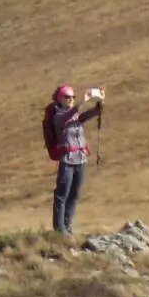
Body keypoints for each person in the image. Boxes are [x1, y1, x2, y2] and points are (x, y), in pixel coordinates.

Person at [45, 84, 105, 236]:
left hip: (80, 159)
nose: (70, 99)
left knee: (74, 194)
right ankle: (59, 230)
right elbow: (69, 115)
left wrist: (99, 104)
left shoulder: (74, 115)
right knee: (62, 195)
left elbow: (88, 114)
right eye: (67, 97)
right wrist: (81, 103)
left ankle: (67, 226)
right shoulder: (58, 116)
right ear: (60, 99)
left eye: (72, 97)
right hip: (67, 160)